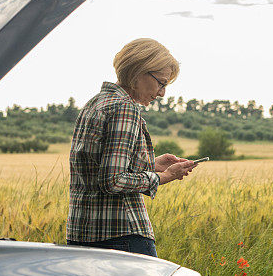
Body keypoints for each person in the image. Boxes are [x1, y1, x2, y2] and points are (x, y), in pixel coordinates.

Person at [66, 38, 196, 257]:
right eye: (161, 83)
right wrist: (165, 177)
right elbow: (113, 180)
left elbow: (99, 166)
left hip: (81, 234)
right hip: (121, 235)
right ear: (139, 72)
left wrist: (152, 165)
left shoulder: (94, 104)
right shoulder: (125, 109)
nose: (162, 92)